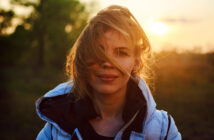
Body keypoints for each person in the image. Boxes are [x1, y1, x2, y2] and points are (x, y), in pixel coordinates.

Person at [36, 5, 181, 140]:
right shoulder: (54, 132)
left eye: (121, 52)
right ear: (83, 58)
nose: (107, 62)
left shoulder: (162, 130)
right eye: (97, 51)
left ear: (136, 62)